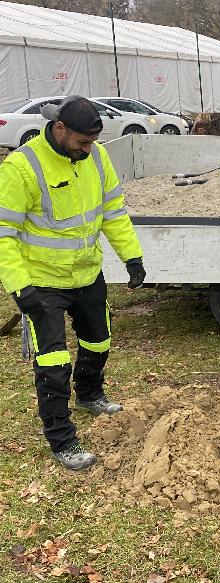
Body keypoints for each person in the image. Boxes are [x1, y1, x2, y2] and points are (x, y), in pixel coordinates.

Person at [0, 96, 146, 470]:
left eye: (93, 141)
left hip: (86, 274)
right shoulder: (21, 167)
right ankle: (61, 437)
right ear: (60, 128)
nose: (89, 148)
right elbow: (4, 235)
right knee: (52, 361)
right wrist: (20, 288)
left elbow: (113, 211)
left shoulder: (95, 157)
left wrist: (132, 256)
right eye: (83, 141)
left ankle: (90, 393)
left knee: (99, 341)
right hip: (41, 283)